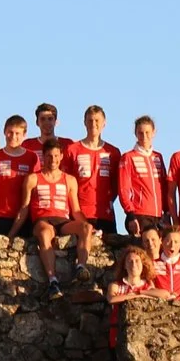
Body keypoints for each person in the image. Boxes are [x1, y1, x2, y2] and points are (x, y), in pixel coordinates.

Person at [26, 138, 89, 288]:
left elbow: (76, 209)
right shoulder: (33, 178)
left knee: (86, 228)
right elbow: (24, 207)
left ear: (61, 156)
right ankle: (52, 279)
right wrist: (12, 233)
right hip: (43, 220)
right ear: (43, 156)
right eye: (48, 156)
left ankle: (81, 266)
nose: (52, 160)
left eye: (55, 156)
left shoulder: (70, 180)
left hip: (62, 220)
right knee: (45, 233)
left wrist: (88, 225)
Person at [66, 107, 119, 263]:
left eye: (97, 120)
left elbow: (117, 184)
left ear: (104, 123)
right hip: (80, 213)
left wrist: (108, 200)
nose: (93, 124)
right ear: (84, 122)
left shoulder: (113, 152)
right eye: (90, 120)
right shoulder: (72, 149)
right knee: (74, 257)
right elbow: (67, 180)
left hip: (105, 214)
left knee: (109, 259)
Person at [118, 116, 170, 235]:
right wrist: (130, 214)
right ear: (135, 133)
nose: (144, 136)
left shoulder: (158, 157)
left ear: (154, 133)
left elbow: (164, 186)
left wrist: (167, 212)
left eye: (147, 132)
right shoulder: (128, 157)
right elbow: (123, 188)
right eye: (140, 133)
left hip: (159, 215)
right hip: (140, 214)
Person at [147, 225, 180, 299]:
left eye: (176, 242)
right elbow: (151, 289)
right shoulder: (153, 264)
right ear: (161, 241)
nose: (172, 245)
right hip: (160, 306)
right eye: (168, 241)